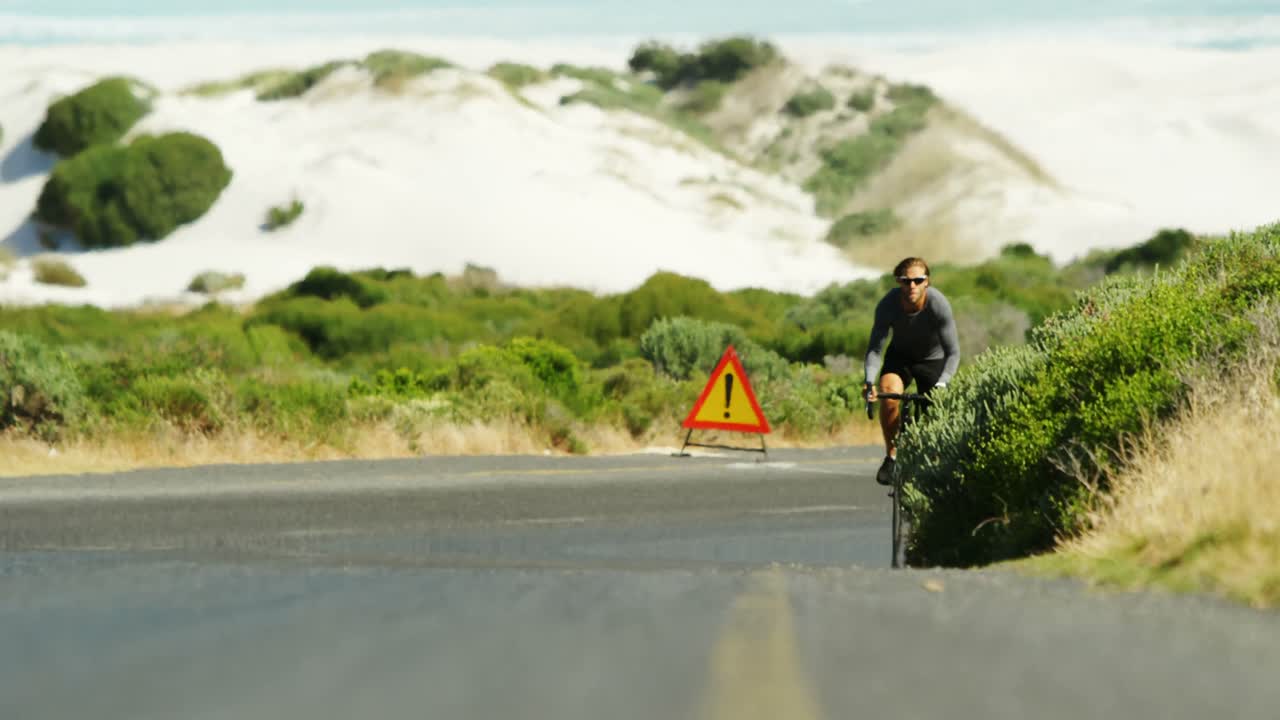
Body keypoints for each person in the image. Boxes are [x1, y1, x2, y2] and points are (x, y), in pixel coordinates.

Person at [863, 257, 960, 486]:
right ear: (898, 282)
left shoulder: (938, 304)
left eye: (918, 280)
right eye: (906, 281)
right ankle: (892, 457)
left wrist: (943, 382)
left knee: (936, 412)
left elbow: (953, 353)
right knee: (889, 394)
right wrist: (869, 382)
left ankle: (935, 461)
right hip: (900, 358)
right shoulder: (888, 305)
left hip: (932, 360)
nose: (912, 286)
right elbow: (875, 350)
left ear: (927, 282)